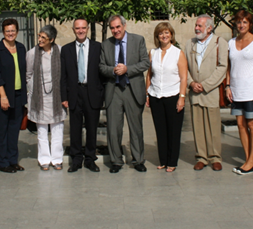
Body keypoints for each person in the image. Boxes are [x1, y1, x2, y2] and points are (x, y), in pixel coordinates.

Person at [99, 15, 150, 173]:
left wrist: (127, 69)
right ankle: (116, 161)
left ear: (124, 26)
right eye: (112, 28)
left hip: (132, 89)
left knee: (136, 128)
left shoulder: (138, 40)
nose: (115, 30)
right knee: (114, 128)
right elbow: (101, 66)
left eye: (118, 27)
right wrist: (112, 70)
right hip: (114, 90)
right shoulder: (106, 44)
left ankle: (138, 160)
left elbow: (145, 63)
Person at [225, 10, 253, 175]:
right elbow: (229, 66)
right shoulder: (231, 43)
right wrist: (228, 86)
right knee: (241, 125)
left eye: (245, 22)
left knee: (252, 124)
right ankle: (249, 160)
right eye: (239, 22)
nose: (241, 25)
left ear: (250, 24)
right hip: (236, 90)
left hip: (251, 90)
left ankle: (251, 161)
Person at [185, 14, 228, 172]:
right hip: (195, 92)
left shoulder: (219, 43)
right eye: (196, 25)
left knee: (213, 126)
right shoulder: (189, 44)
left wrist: (206, 85)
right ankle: (201, 157)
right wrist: (191, 83)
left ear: (209, 28)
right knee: (198, 126)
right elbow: (185, 67)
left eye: (200, 26)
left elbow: (223, 67)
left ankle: (215, 157)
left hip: (211, 92)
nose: (196, 28)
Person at [61, 18, 104, 173]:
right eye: (77, 28)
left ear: (87, 29)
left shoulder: (97, 47)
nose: (80, 31)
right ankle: (76, 160)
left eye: (83, 28)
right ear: (73, 30)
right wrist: (63, 96)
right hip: (74, 93)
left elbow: (102, 72)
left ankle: (90, 159)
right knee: (75, 128)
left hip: (92, 92)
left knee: (92, 127)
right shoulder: (66, 50)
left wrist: (102, 94)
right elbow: (63, 76)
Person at [145, 22, 188, 172]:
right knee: (160, 130)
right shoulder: (153, 53)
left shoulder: (178, 53)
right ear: (157, 36)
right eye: (161, 33)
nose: (164, 36)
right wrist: (147, 93)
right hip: (156, 95)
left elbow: (183, 78)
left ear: (171, 35)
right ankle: (163, 160)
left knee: (173, 131)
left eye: (166, 33)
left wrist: (182, 97)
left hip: (173, 95)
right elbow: (149, 74)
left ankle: (172, 162)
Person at [0, 18, 27, 173]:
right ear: (3, 32)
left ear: (17, 32)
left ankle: (12, 160)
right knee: (0, 130)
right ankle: (2, 162)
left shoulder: (21, 48)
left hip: (18, 95)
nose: (10, 33)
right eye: (7, 31)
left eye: (13, 31)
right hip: (2, 96)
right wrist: (3, 96)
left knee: (14, 130)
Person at [26, 25, 66, 170]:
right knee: (41, 130)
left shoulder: (60, 52)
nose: (40, 40)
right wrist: (32, 91)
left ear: (52, 39)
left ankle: (57, 159)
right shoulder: (32, 53)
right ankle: (44, 159)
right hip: (39, 97)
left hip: (56, 97)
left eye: (44, 37)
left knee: (57, 129)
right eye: (39, 36)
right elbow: (28, 74)